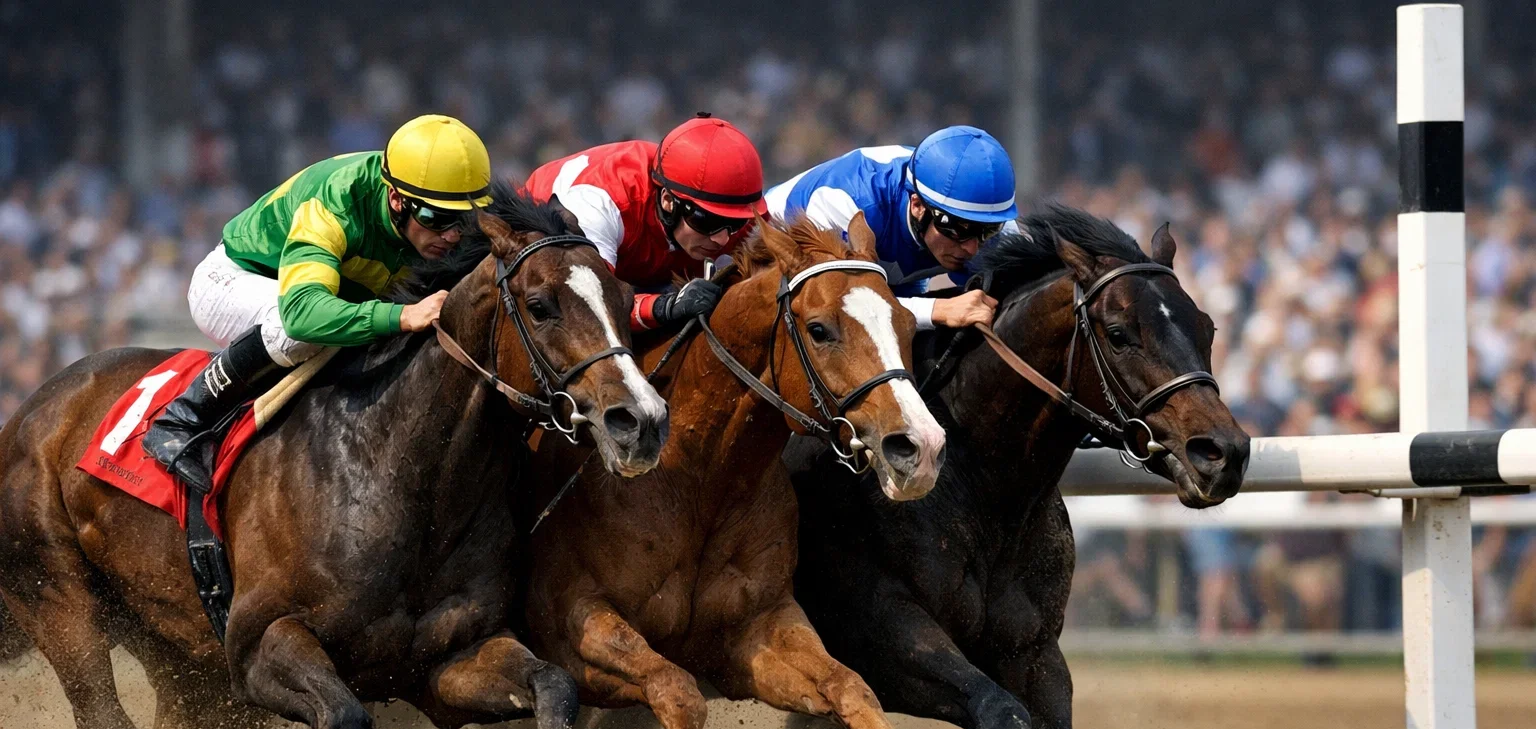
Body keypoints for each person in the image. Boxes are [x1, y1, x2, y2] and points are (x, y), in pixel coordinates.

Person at [144, 114, 494, 492]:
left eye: (464, 220)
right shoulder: (336, 201)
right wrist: (403, 315)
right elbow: (302, 313)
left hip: (328, 295)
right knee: (304, 333)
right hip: (238, 281)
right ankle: (182, 418)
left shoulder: (431, 200)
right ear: (396, 198)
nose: (452, 235)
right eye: (435, 217)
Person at [524, 114, 766, 333]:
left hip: (636, 271)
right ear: (669, 201)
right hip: (551, 277)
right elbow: (584, 311)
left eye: (734, 224)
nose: (722, 239)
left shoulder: (742, 210)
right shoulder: (598, 206)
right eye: (708, 221)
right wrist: (665, 307)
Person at [764, 126, 1018, 331]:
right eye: (958, 229)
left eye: (987, 231)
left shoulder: (992, 221)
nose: (972, 247)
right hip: (775, 265)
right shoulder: (847, 204)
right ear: (918, 206)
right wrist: (938, 310)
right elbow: (840, 307)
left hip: (890, 275)